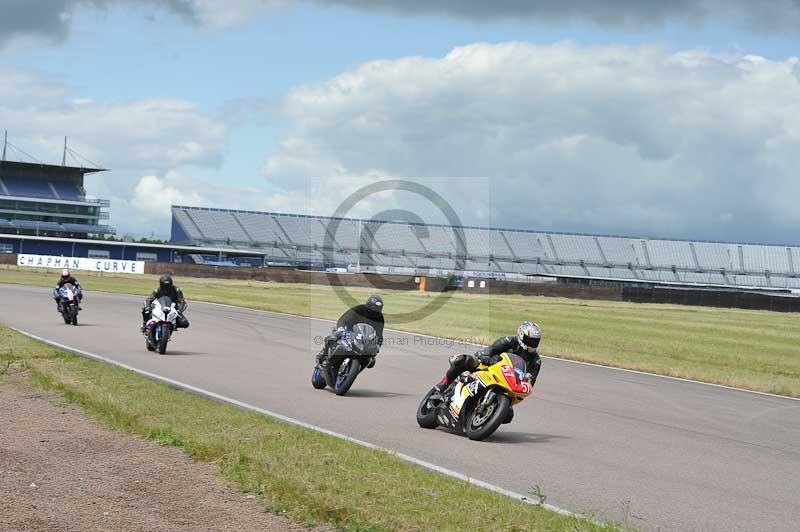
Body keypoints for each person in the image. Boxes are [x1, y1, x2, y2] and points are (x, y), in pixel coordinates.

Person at [433, 321, 542, 394]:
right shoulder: (508, 341)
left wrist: (526, 383)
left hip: (507, 382)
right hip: (489, 367)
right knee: (466, 360)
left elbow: (530, 383)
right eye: (530, 340)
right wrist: (488, 359)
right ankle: (445, 382)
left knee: (508, 414)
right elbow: (487, 352)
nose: (533, 344)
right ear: (521, 335)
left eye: (535, 341)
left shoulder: (536, 360)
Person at [318, 294, 384, 368]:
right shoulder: (359, 309)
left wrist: (377, 346)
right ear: (368, 305)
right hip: (348, 332)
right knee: (334, 338)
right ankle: (324, 355)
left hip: (363, 339)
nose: (375, 310)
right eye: (373, 307)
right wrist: (341, 328)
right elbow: (343, 319)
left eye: (378, 308)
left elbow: (379, 334)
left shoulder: (379, 318)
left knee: (371, 361)